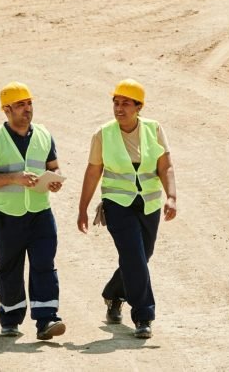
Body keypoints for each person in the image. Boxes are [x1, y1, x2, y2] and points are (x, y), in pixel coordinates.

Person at [77, 79, 177, 339]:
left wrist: (172, 196)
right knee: (134, 256)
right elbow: (93, 171)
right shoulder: (103, 134)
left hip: (149, 204)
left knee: (142, 256)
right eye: (116, 103)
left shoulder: (153, 129)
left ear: (138, 107)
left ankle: (113, 293)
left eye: (125, 104)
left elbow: (165, 165)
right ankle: (143, 315)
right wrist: (82, 208)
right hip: (117, 205)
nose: (119, 108)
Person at [0, 81, 66, 340]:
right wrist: (14, 178)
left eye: (29, 103)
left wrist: (56, 179)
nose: (27, 109)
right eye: (20, 105)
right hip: (8, 216)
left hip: (41, 213)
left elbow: (54, 166)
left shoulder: (44, 135)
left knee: (44, 264)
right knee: (9, 267)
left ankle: (47, 320)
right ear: (6, 110)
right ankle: (10, 319)